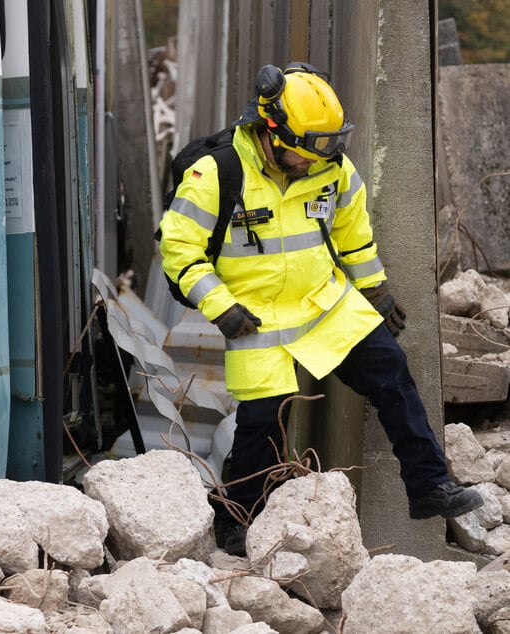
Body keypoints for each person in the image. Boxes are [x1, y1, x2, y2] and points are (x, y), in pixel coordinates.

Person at [158, 62, 483, 557]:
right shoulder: (217, 172)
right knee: (262, 422)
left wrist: (373, 289)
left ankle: (428, 486)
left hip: (323, 304)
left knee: (391, 372)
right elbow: (180, 250)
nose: (317, 161)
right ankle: (237, 518)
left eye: (327, 148)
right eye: (307, 151)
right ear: (271, 131)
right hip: (255, 318)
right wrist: (220, 306)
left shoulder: (330, 165)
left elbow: (353, 232)